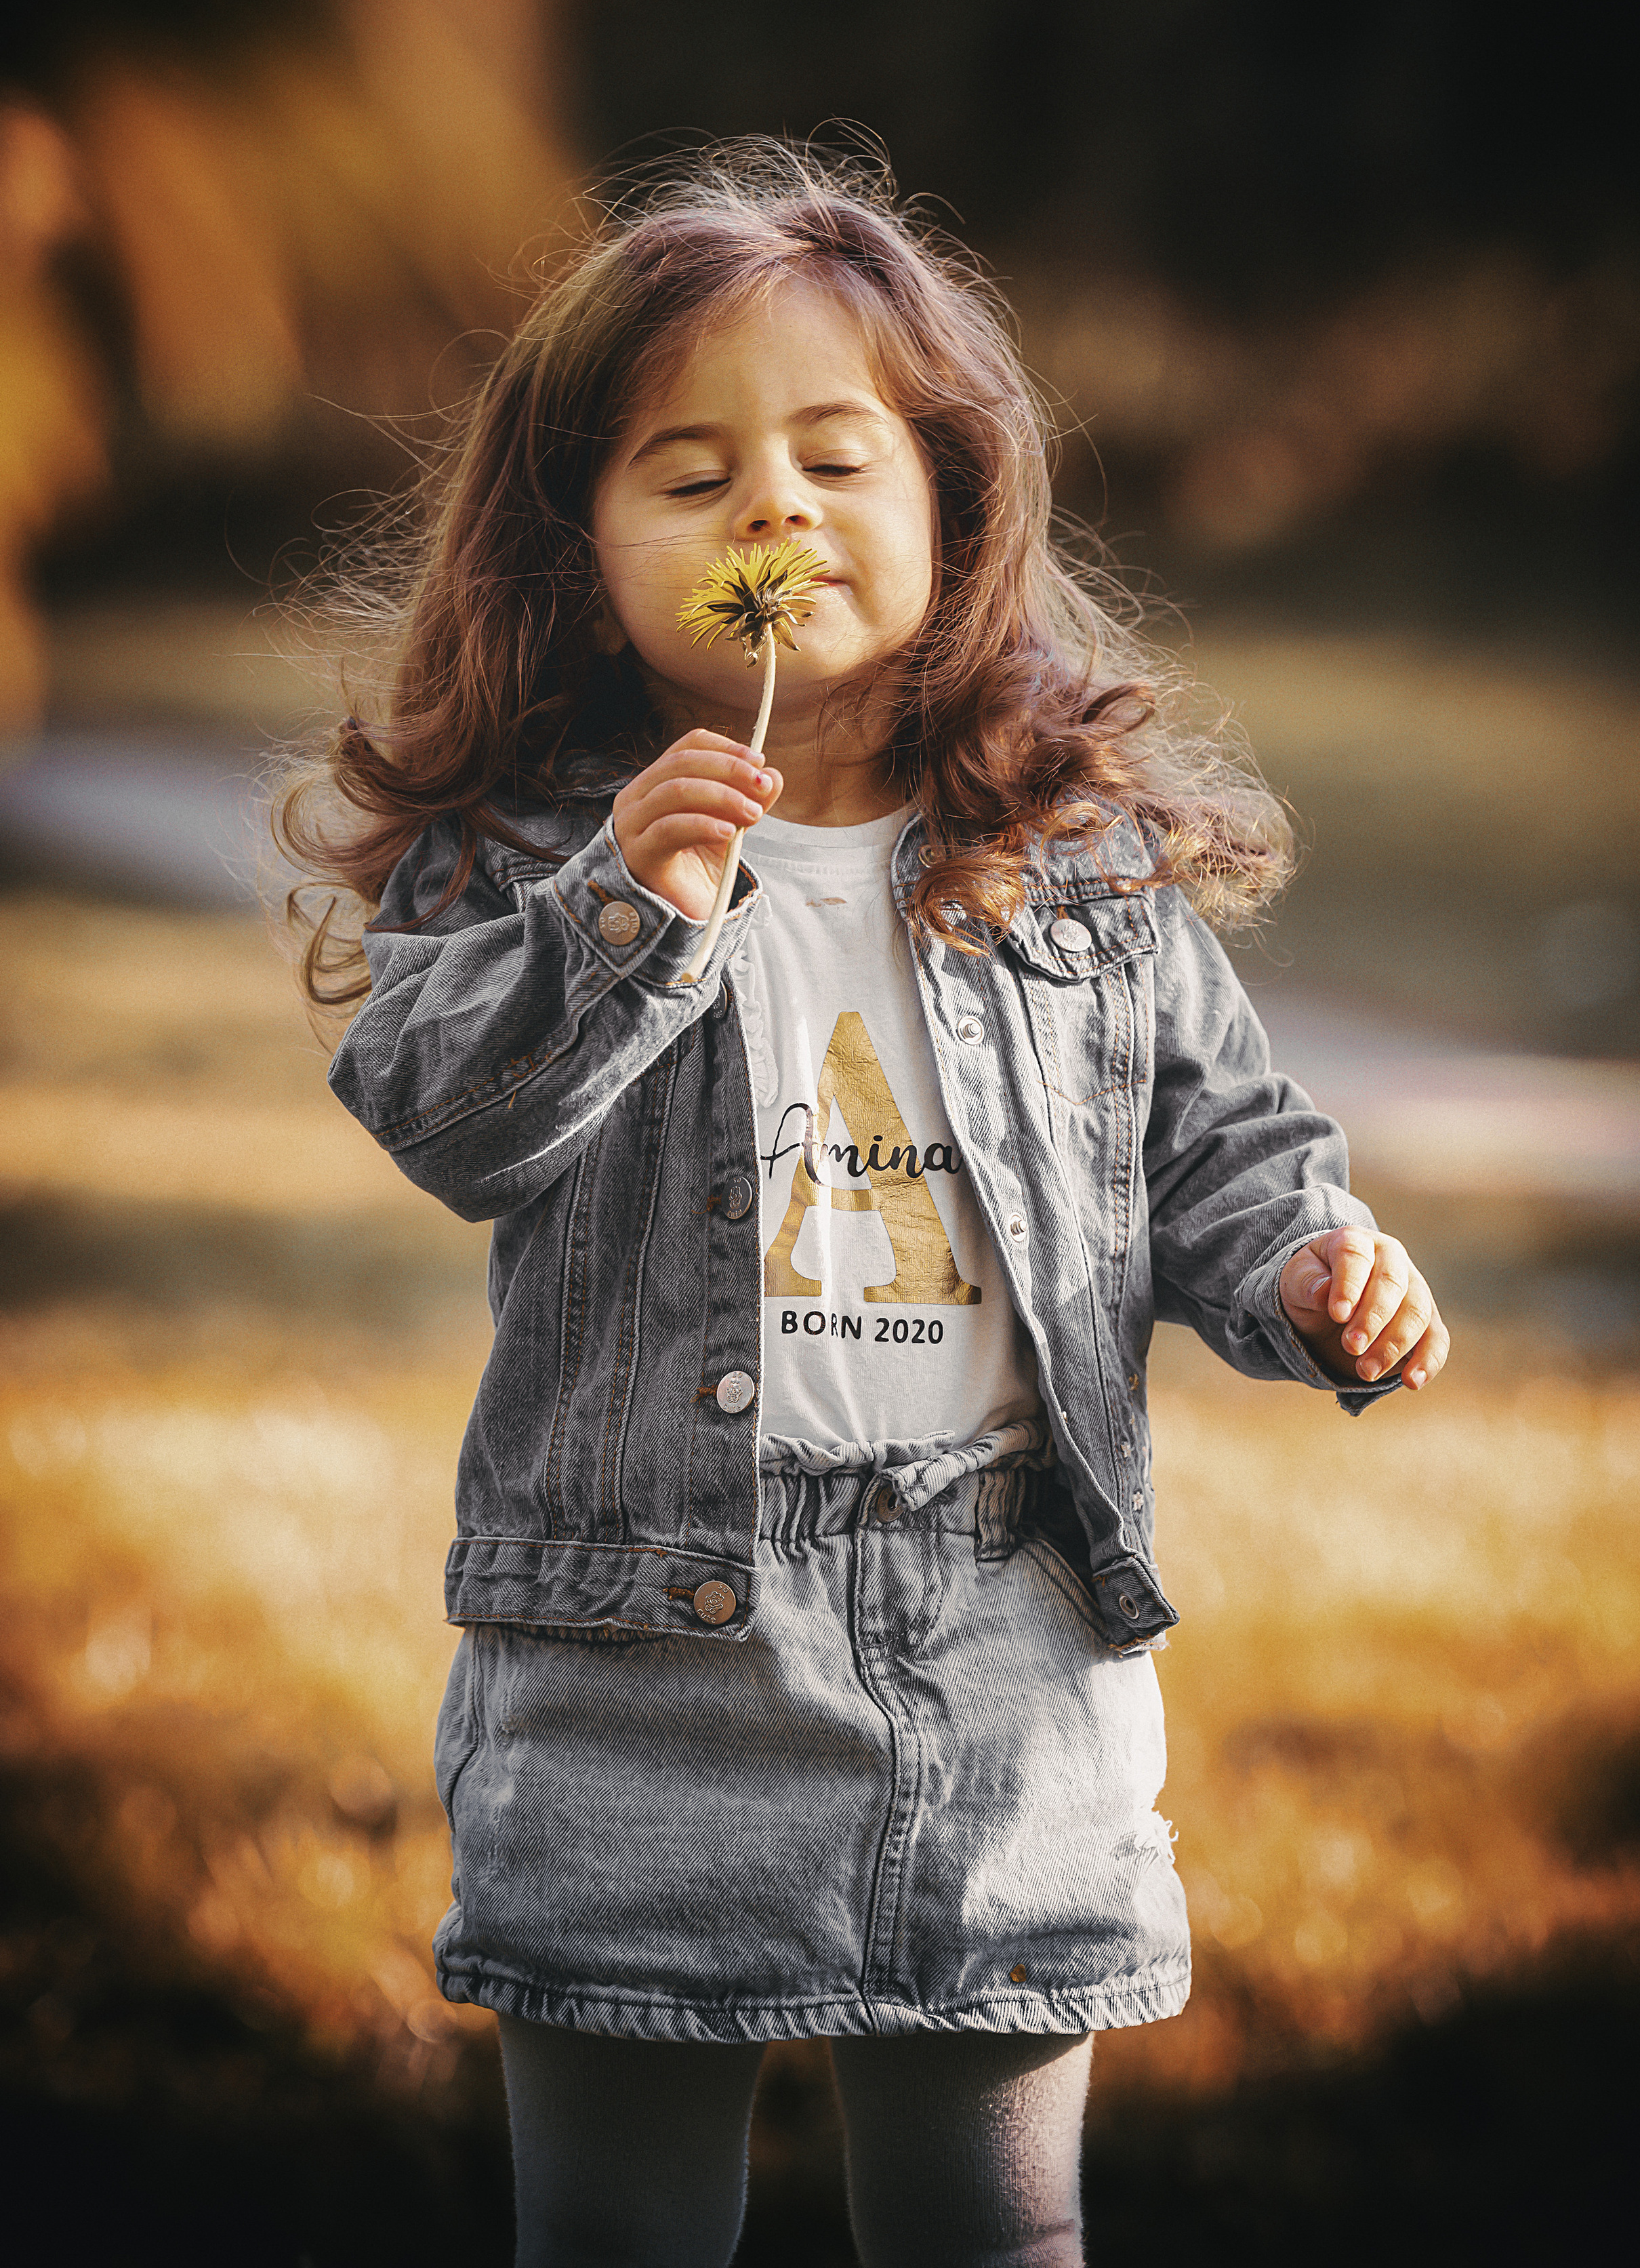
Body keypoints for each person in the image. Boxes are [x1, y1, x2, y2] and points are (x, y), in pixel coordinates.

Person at [284, 143, 1448, 2268]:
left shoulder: (1067, 855)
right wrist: (627, 908)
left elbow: (1210, 1146)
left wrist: (1305, 1264)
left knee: (996, 2231)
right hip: (638, 1650)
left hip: (1009, 1630)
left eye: (837, 458)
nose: (773, 517)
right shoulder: (531, 848)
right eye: (693, 475)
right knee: (619, 2230)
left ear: (953, 507)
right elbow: (451, 1117)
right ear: (580, 544)